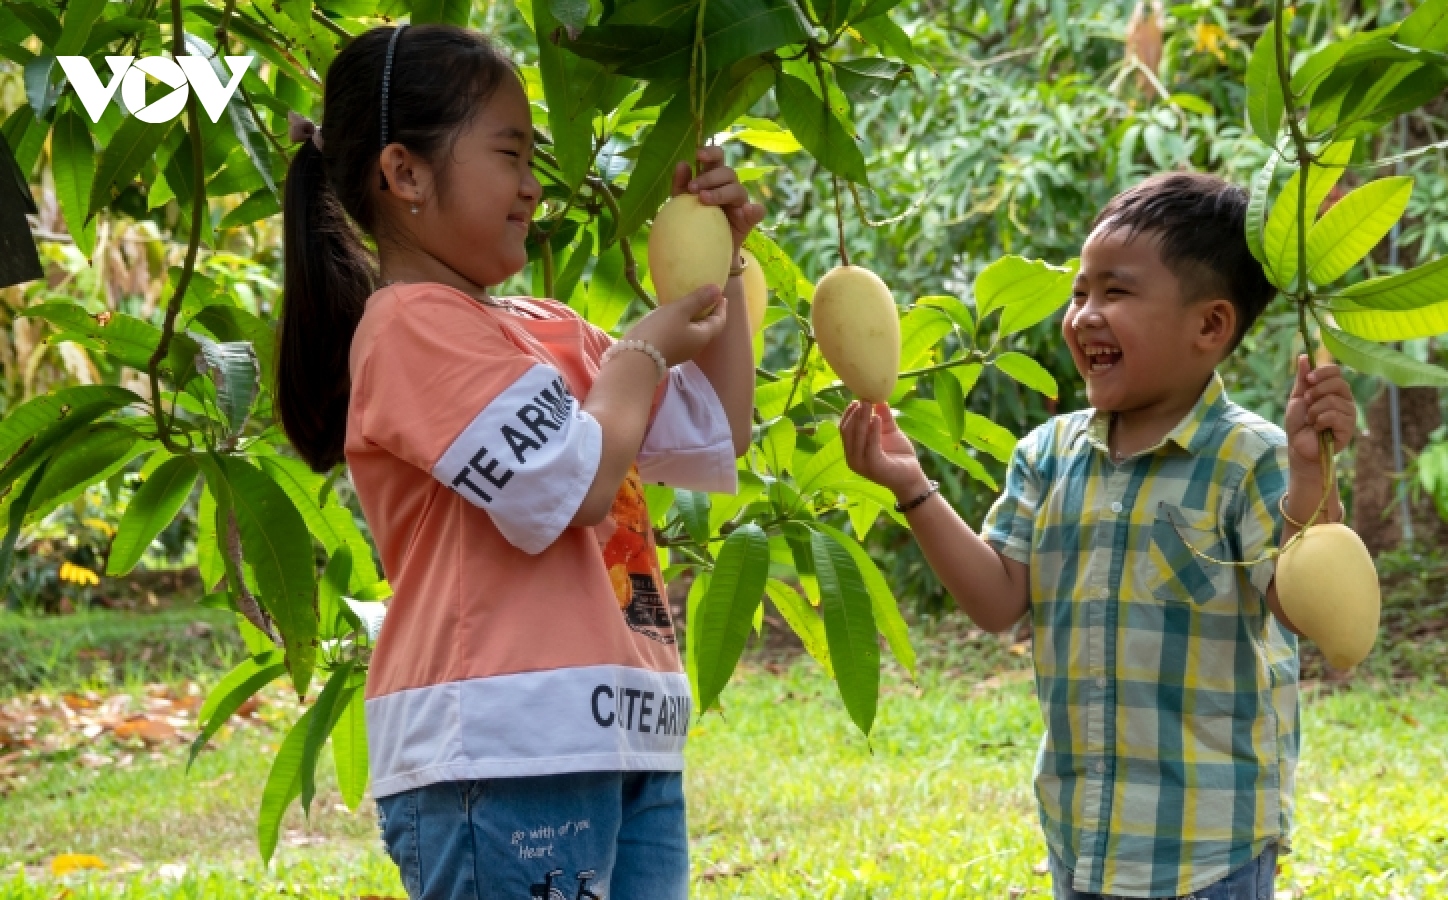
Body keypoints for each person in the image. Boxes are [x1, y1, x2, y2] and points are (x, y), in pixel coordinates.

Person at [273, 24, 762, 900]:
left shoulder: (551, 328)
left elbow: (720, 428)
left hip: (623, 737)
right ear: (406, 173)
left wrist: (722, 269)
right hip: (502, 750)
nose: (535, 187)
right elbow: (572, 484)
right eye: (509, 154)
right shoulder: (408, 325)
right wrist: (642, 352)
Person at [841, 172, 1359, 900]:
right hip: (1082, 835)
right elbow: (997, 600)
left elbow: (1301, 606)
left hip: (1206, 846)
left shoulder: (1253, 458)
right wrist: (909, 485)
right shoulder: (1048, 455)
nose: (1084, 315)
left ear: (1209, 326)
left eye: (1116, 293)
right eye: (1080, 292)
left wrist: (1312, 475)